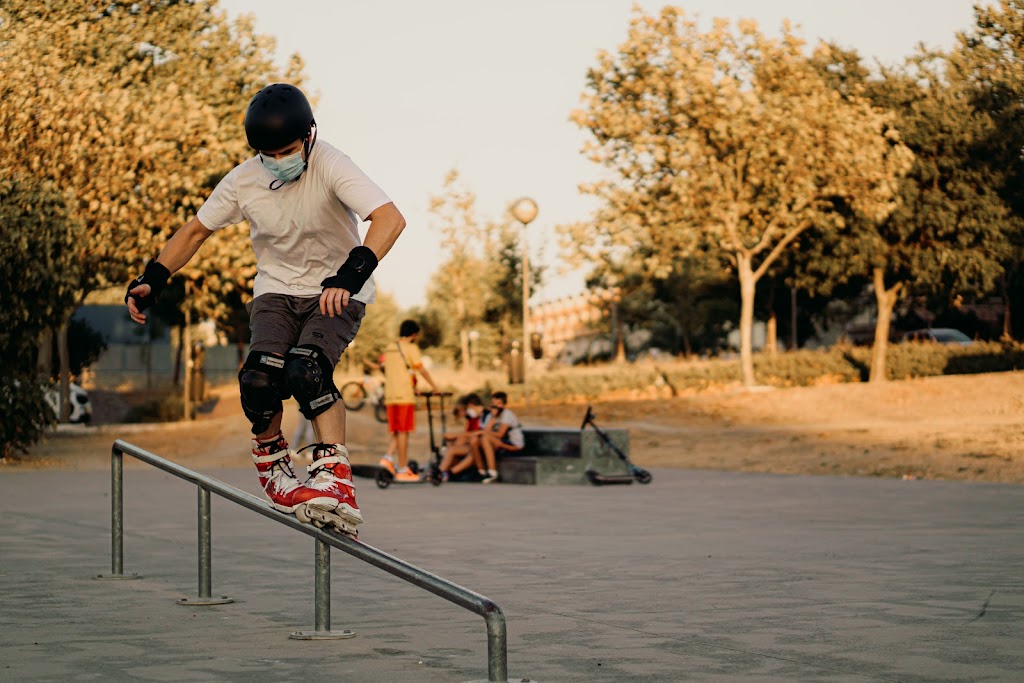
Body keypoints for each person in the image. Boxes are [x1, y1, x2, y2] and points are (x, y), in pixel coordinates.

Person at [125, 83, 406, 535]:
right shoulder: (242, 180)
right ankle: (275, 469)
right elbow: (195, 231)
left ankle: (335, 479)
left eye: (289, 150)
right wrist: (152, 279)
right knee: (258, 380)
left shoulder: (332, 163)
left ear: (309, 136)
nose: (280, 160)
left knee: (307, 369)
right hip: (275, 290)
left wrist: (349, 276)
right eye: (268, 154)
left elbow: (390, 219)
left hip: (337, 290)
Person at [379, 319, 439, 481]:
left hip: (390, 395)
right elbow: (420, 369)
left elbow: (392, 371)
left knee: (397, 430)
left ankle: (388, 458)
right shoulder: (411, 348)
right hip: (404, 395)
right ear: (414, 334)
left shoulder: (389, 348)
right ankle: (403, 469)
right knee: (404, 432)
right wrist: (434, 386)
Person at [475, 391, 524, 484]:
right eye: (493, 404)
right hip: (499, 443)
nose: (496, 407)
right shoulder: (490, 416)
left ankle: (492, 472)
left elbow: (500, 434)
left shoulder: (507, 414)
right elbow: (485, 431)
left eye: (499, 404)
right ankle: (481, 471)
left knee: (485, 438)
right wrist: (493, 418)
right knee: (475, 441)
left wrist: (485, 432)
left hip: (513, 444)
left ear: (504, 405)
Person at [438, 393, 486, 481]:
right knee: (453, 447)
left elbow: (480, 433)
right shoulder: (471, 418)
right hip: (471, 445)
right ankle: (440, 472)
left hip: (478, 446)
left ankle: (450, 473)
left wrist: (457, 435)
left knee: (470, 453)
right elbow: (468, 432)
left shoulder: (485, 416)